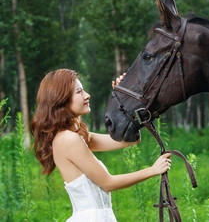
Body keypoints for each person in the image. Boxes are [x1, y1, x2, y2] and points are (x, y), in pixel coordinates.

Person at [30, 68, 171, 222]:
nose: (87, 95)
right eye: (79, 92)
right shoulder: (68, 140)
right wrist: (152, 170)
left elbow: (131, 139)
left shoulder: (78, 137)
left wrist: (123, 97)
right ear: (61, 99)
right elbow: (108, 183)